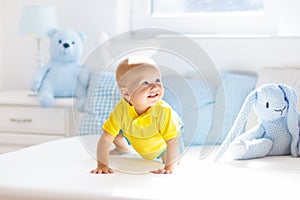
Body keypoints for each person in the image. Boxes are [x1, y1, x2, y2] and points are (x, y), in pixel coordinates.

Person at [90, 56, 183, 174]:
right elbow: (106, 137)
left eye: (157, 80)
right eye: (145, 82)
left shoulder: (163, 111)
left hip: (162, 144)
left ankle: (176, 159)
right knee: (113, 131)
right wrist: (102, 165)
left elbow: (172, 141)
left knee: (173, 158)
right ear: (126, 93)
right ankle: (122, 148)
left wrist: (169, 168)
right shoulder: (121, 110)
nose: (154, 86)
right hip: (135, 133)